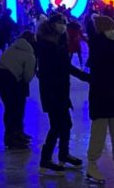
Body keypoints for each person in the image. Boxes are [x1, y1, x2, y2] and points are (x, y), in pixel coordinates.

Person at [35, 16, 88, 171]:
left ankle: (64, 154)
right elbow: (62, 66)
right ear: (51, 25)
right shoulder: (45, 44)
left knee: (65, 124)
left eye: (64, 23)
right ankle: (46, 158)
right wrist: (86, 77)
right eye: (60, 23)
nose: (63, 26)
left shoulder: (60, 41)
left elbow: (65, 65)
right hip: (51, 89)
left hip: (61, 88)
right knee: (57, 125)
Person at [86, 14, 114, 184]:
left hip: (113, 92)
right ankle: (92, 163)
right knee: (100, 130)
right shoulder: (99, 44)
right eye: (110, 28)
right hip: (102, 93)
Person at [0, 31, 37, 150]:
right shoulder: (30, 55)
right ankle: (11, 138)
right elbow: (27, 77)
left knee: (12, 107)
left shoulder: (12, 48)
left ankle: (17, 133)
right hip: (10, 79)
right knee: (13, 109)